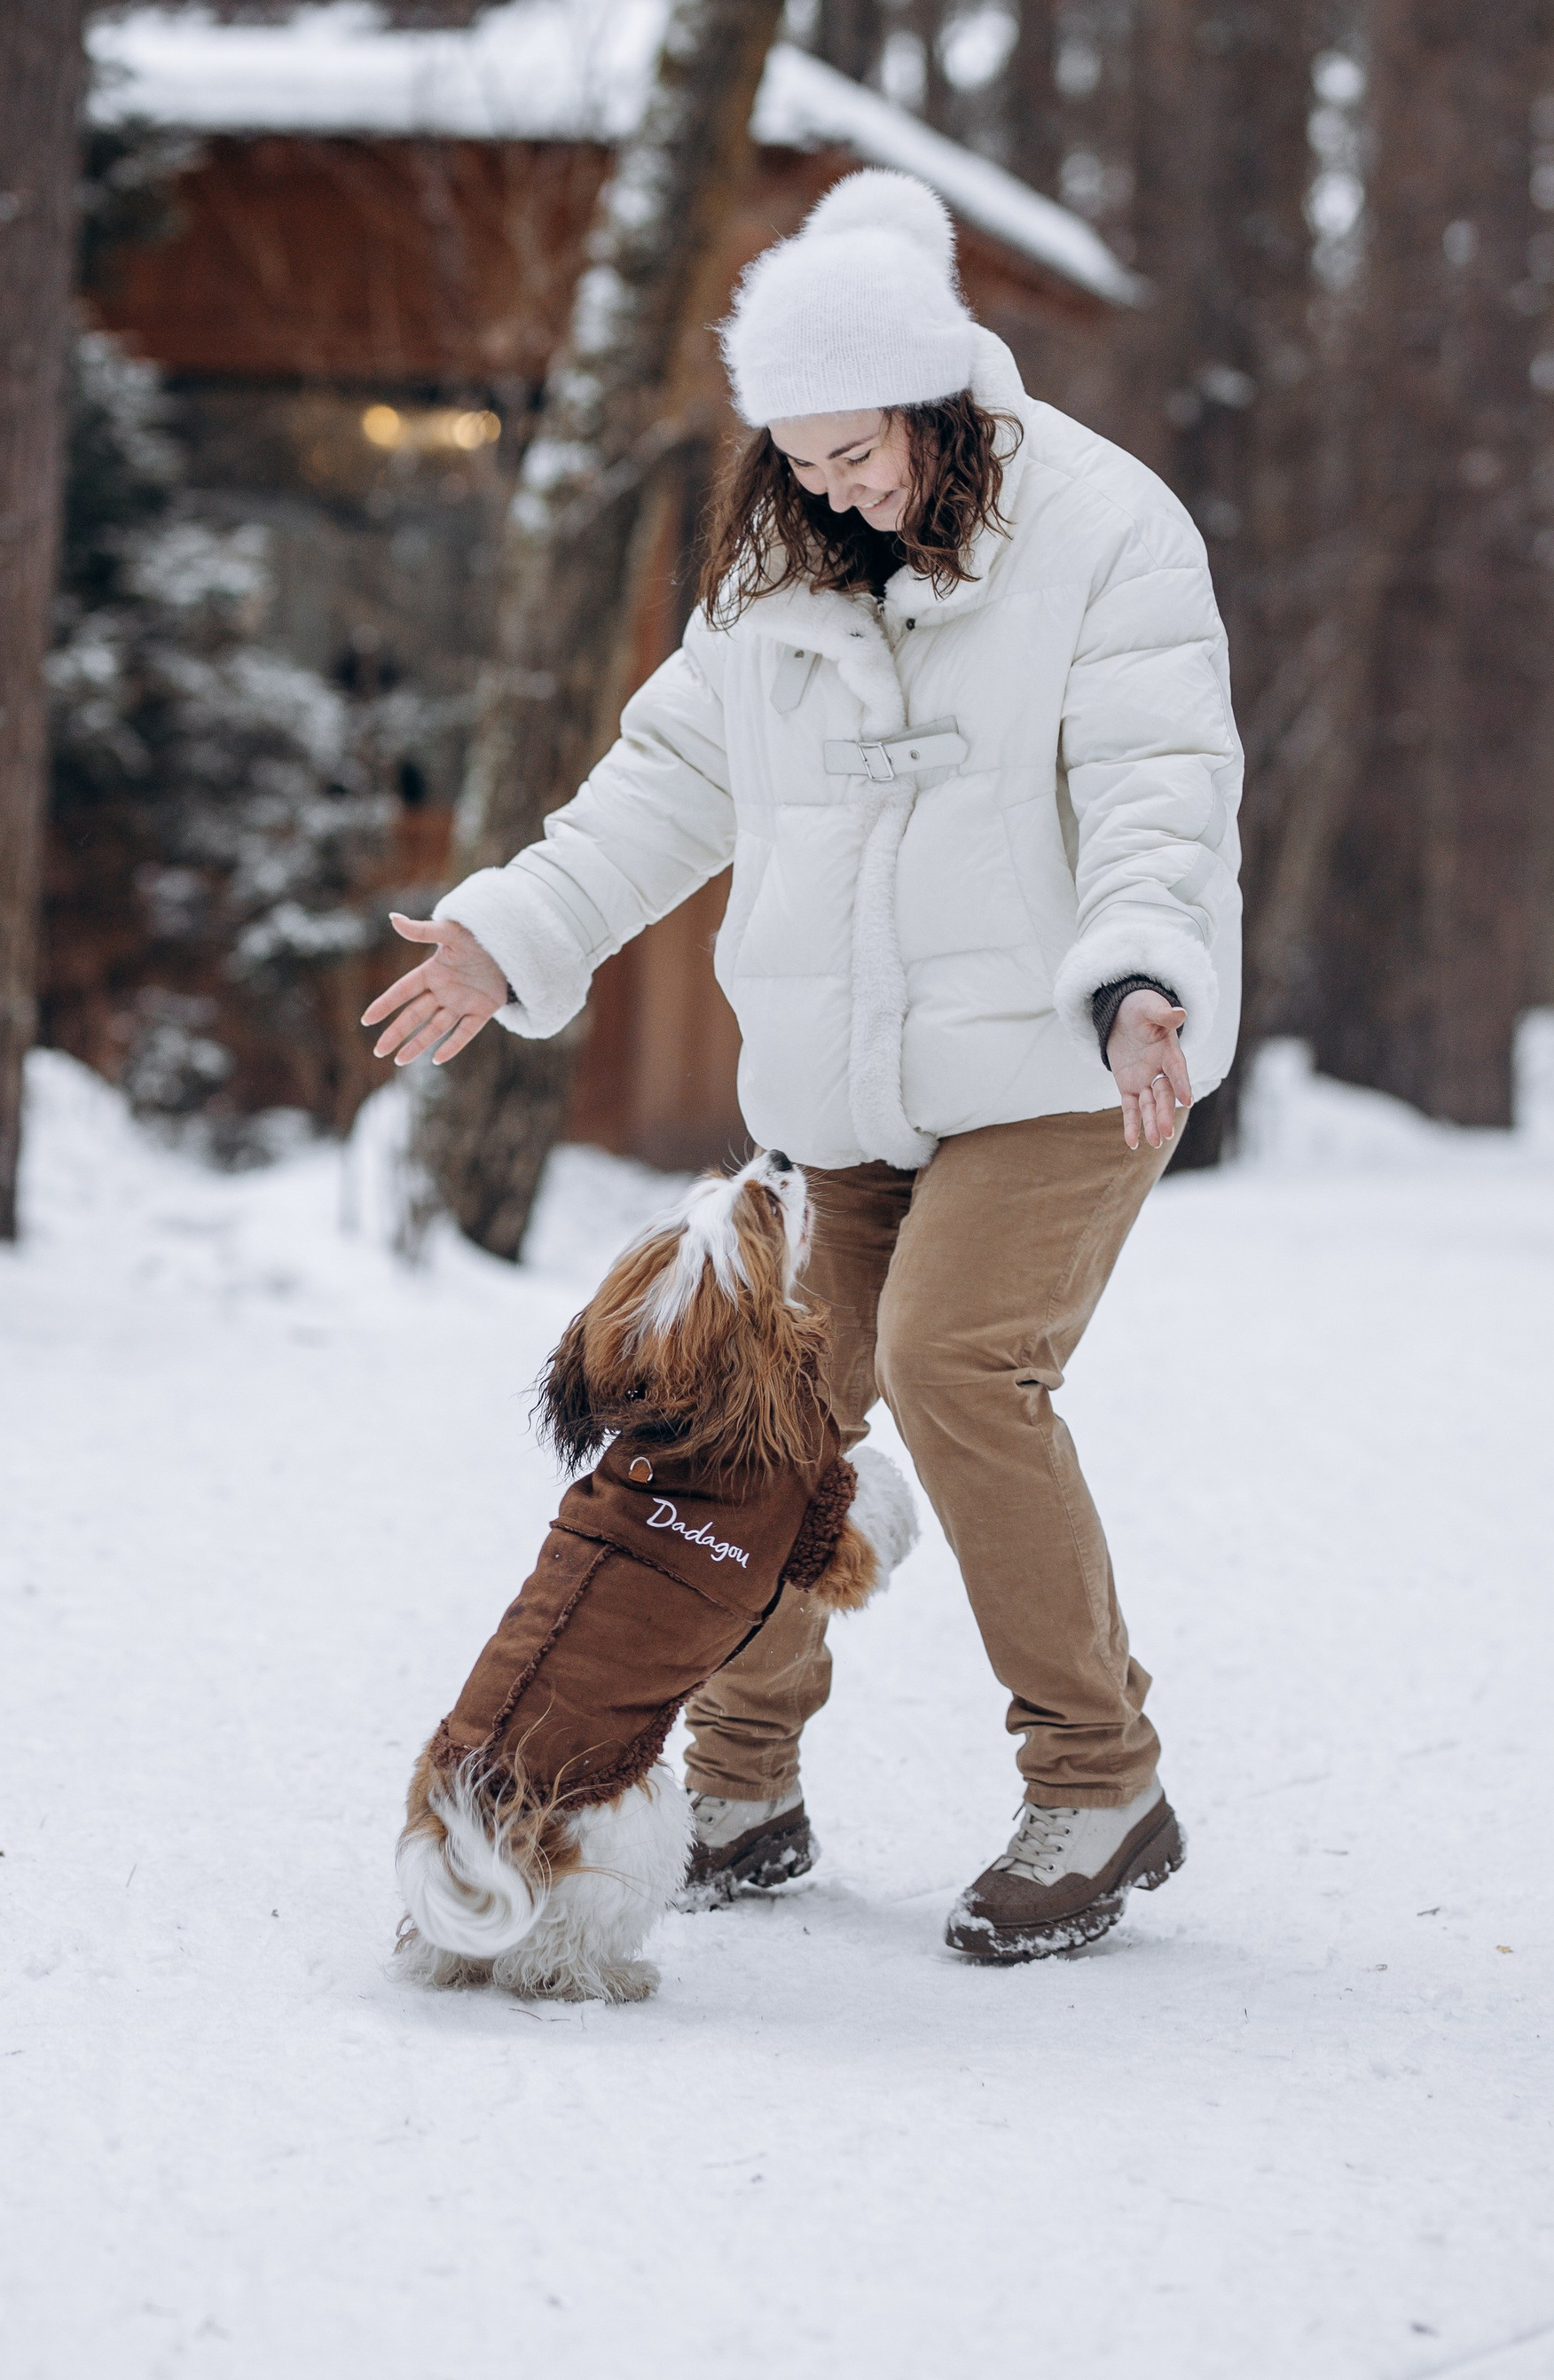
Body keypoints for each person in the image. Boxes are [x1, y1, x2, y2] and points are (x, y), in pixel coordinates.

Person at [363, 168, 1242, 1963]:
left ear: (936, 404)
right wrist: (511, 929)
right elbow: (663, 784)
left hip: (1069, 1062)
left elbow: (1161, 781)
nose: (831, 483)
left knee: (953, 1360)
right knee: (751, 1408)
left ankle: (1095, 1778)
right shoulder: (771, 573)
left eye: (858, 449)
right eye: (800, 453)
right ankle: (743, 1780)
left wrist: (1142, 970)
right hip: (845, 1097)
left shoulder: (1102, 529)